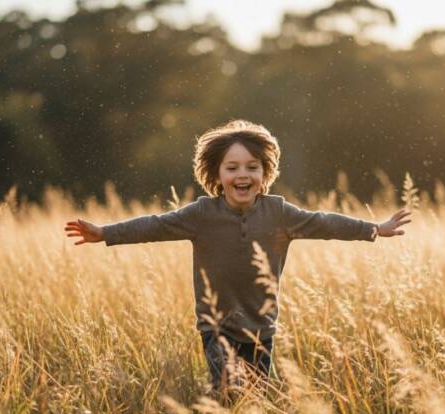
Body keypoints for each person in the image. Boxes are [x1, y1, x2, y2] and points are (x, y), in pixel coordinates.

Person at [64, 120, 411, 396]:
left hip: (262, 327)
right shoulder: (201, 213)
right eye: (232, 168)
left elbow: (324, 222)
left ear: (265, 173)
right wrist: (106, 233)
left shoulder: (279, 212)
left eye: (252, 167)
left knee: (258, 399)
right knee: (230, 391)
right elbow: (155, 225)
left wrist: (373, 228)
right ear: (216, 176)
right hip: (217, 327)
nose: (242, 175)